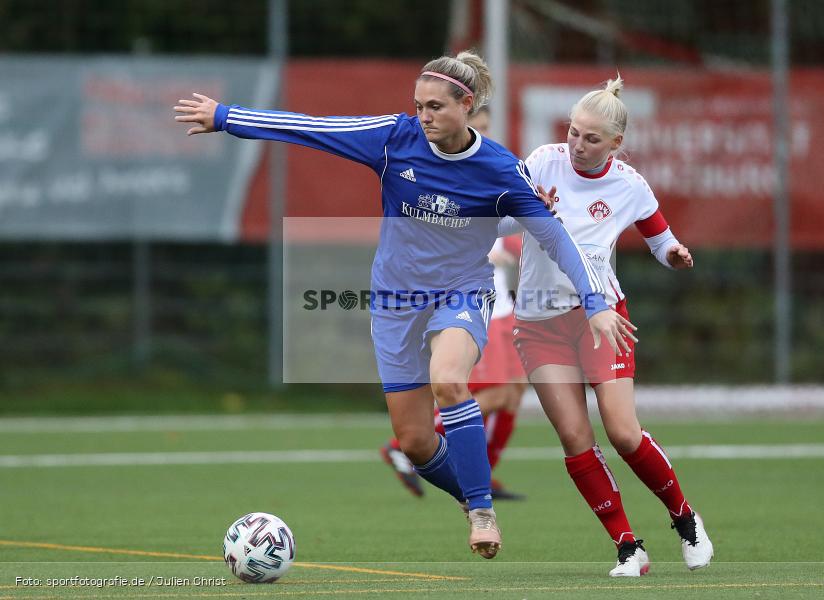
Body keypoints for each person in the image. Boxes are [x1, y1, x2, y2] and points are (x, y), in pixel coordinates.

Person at [174, 51, 635, 560]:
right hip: (395, 301)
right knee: (415, 442)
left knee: (448, 379)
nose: (424, 116)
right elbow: (311, 128)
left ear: (467, 104)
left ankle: (482, 511)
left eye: (435, 106)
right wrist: (226, 117)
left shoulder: (501, 169)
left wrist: (594, 302)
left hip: (462, 290)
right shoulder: (395, 140)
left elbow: (556, 238)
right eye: (418, 105)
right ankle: (469, 495)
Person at [499, 75, 713, 576]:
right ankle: (628, 548)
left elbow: (661, 240)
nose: (577, 143)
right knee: (575, 437)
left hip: (601, 319)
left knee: (621, 431)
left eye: (591, 138)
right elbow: (501, 222)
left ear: (616, 144)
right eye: (573, 131)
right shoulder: (542, 162)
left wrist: (674, 254)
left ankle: (683, 517)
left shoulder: (629, 184)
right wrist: (530, 212)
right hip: (537, 321)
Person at [381, 105, 528, 501]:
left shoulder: (494, 163)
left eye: (485, 128)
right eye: (476, 126)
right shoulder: (440, 167)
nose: (480, 135)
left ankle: (485, 473)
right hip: (475, 303)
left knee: (514, 390)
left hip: (500, 302)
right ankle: (412, 447)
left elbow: (511, 226)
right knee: (494, 392)